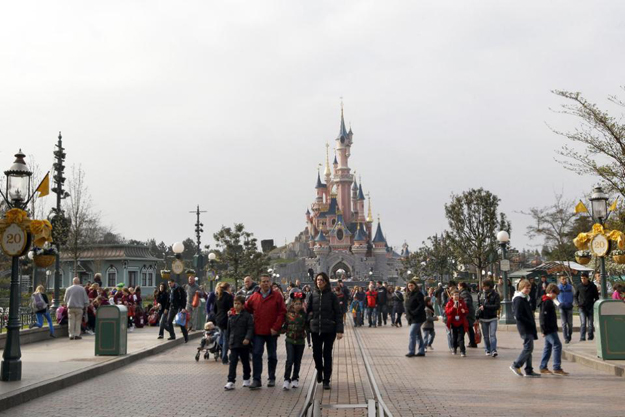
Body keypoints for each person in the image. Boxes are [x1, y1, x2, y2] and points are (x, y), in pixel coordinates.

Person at [245, 274, 287, 389]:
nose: (265, 283)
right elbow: (247, 308)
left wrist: (276, 327)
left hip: (271, 331)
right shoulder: (254, 296)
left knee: (272, 356)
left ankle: (271, 378)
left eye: (267, 281)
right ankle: (256, 379)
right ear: (260, 283)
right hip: (258, 331)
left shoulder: (277, 296)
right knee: (257, 354)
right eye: (263, 281)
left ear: (271, 283)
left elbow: (282, 312)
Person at [307, 272, 343, 389]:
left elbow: (338, 313)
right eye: (317, 280)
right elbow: (308, 311)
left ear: (326, 282)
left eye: (321, 280)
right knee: (316, 354)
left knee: (327, 354)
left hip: (329, 329)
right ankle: (319, 370)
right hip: (316, 329)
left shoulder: (332, 296)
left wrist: (339, 330)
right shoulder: (313, 295)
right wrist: (309, 323)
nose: (319, 282)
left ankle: (326, 379)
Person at [510, 279, 541, 377]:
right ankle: (516, 364)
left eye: (529, 288)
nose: (528, 289)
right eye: (526, 287)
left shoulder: (525, 298)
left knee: (528, 348)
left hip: (527, 326)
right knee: (528, 348)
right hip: (524, 327)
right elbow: (518, 315)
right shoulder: (519, 299)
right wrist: (529, 321)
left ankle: (529, 369)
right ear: (521, 288)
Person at [224, 295, 254, 390]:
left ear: (242, 305)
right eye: (235, 303)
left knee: (245, 361)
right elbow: (228, 330)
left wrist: (247, 338)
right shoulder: (231, 316)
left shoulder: (247, 316)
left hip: (244, 343)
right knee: (233, 362)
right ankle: (231, 381)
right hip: (234, 342)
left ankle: (246, 378)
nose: (236, 306)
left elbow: (250, 328)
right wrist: (229, 342)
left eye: (238, 304)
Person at [539, 284, 569, 375]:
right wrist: (543, 330)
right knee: (557, 345)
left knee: (548, 347)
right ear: (552, 292)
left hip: (549, 328)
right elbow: (543, 317)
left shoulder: (545, 300)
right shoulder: (547, 302)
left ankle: (543, 367)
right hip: (549, 329)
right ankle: (556, 367)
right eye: (556, 294)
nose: (556, 296)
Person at [282, 293, 307, 390]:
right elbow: (284, 326)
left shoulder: (304, 315)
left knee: (297, 361)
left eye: (299, 304)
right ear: (292, 304)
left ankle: (295, 378)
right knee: (289, 360)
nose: (298, 306)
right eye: (296, 303)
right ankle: (286, 379)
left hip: (300, 341)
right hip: (290, 340)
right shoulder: (288, 314)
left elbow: (308, 327)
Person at [478, 280, 500, 357]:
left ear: (489, 286)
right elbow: (478, 305)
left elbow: (497, 306)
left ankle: (493, 350)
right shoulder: (480, 294)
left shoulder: (495, 295)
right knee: (486, 336)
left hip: (492, 317)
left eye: (484, 286)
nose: (483, 287)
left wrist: (486, 307)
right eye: (482, 286)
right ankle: (487, 349)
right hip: (483, 318)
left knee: (492, 335)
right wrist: (477, 316)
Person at [575, 272, 599, 341]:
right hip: (582, 307)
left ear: (587, 278)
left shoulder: (592, 286)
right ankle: (582, 337)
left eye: (584, 278)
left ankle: (590, 337)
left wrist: (594, 304)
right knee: (583, 323)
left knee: (590, 323)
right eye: (581, 278)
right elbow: (575, 296)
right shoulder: (579, 286)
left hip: (590, 306)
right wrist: (577, 303)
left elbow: (596, 297)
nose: (583, 280)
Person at [405, 280, 426, 357]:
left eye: (412, 285)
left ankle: (411, 351)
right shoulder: (408, 294)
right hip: (411, 317)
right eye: (409, 286)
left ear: (415, 286)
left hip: (418, 317)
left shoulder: (418, 294)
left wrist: (414, 312)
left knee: (412, 333)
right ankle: (421, 351)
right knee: (417, 334)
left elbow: (422, 305)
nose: (410, 287)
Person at [215, 282, 234, 364]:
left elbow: (214, 309)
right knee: (226, 339)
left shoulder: (218, 296)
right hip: (226, 320)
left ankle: (219, 353)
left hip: (219, 319)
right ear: (228, 288)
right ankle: (224, 358)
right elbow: (232, 308)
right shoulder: (229, 296)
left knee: (222, 337)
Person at [445, 290, 468, 357]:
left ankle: (462, 351)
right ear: (452, 296)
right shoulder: (449, 303)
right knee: (454, 337)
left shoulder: (462, 302)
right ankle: (454, 348)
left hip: (461, 322)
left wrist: (464, 311)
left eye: (457, 295)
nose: (456, 296)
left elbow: (466, 311)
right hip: (453, 322)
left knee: (461, 337)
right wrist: (453, 308)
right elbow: (447, 312)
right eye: (455, 295)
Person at [166, 277, 188, 342]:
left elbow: (183, 298)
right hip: (172, 307)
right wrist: (167, 308)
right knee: (169, 321)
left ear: (173, 283)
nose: (169, 285)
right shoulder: (170, 290)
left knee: (180, 323)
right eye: (168, 284)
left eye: (170, 283)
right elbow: (168, 300)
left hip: (179, 308)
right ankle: (172, 335)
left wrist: (183, 307)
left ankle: (186, 336)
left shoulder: (179, 289)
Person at [458, 282, 477, 348]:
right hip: (468, 312)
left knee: (466, 328)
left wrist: (461, 306)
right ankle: (472, 342)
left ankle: (459, 342)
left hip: (467, 313)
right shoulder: (465, 292)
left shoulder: (464, 293)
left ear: (461, 286)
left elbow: (466, 302)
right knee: (469, 328)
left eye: (458, 286)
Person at [557, 275, 574, 344]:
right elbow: (554, 297)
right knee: (564, 323)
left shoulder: (571, 287)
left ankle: (569, 335)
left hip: (569, 306)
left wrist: (573, 303)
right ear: (560, 280)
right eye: (562, 279)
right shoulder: (557, 287)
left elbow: (574, 295)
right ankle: (566, 338)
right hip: (562, 307)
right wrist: (558, 304)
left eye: (565, 279)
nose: (564, 280)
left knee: (570, 323)